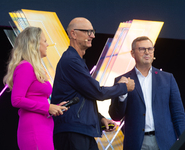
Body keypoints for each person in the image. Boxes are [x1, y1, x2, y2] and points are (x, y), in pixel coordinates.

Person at [51, 17, 135, 150]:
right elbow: (97, 92)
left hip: (81, 130)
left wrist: (100, 118)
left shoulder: (76, 60)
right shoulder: (71, 61)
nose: (92, 36)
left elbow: (84, 97)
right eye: (88, 31)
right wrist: (124, 87)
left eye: (93, 31)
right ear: (73, 34)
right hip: (73, 131)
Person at [109, 36, 185, 150]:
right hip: (137, 143)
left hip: (165, 141)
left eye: (150, 49)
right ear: (132, 53)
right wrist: (122, 93)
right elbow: (116, 116)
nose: (147, 52)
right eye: (142, 49)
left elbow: (178, 114)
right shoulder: (122, 80)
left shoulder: (167, 78)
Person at [3, 27, 68, 150]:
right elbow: (16, 99)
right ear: (34, 44)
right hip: (34, 127)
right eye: (44, 41)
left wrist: (55, 107)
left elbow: (36, 98)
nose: (47, 44)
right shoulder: (26, 67)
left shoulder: (33, 68)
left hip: (44, 125)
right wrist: (48, 107)